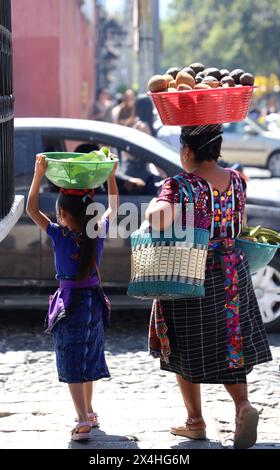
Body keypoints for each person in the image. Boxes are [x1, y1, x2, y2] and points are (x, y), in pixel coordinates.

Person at [145, 124, 272, 449]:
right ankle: (242, 406)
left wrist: (154, 206)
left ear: (187, 151)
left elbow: (159, 220)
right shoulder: (236, 180)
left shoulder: (180, 185)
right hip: (232, 272)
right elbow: (240, 224)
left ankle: (195, 421)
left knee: (183, 342)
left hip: (191, 272)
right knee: (232, 341)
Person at [26, 154, 119, 441]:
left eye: (58, 213)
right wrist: (111, 174)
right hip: (93, 302)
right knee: (88, 357)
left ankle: (82, 421)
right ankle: (88, 411)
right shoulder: (97, 232)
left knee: (71, 362)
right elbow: (114, 206)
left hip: (71, 305)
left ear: (64, 215)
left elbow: (31, 209)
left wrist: (38, 173)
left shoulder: (59, 234)